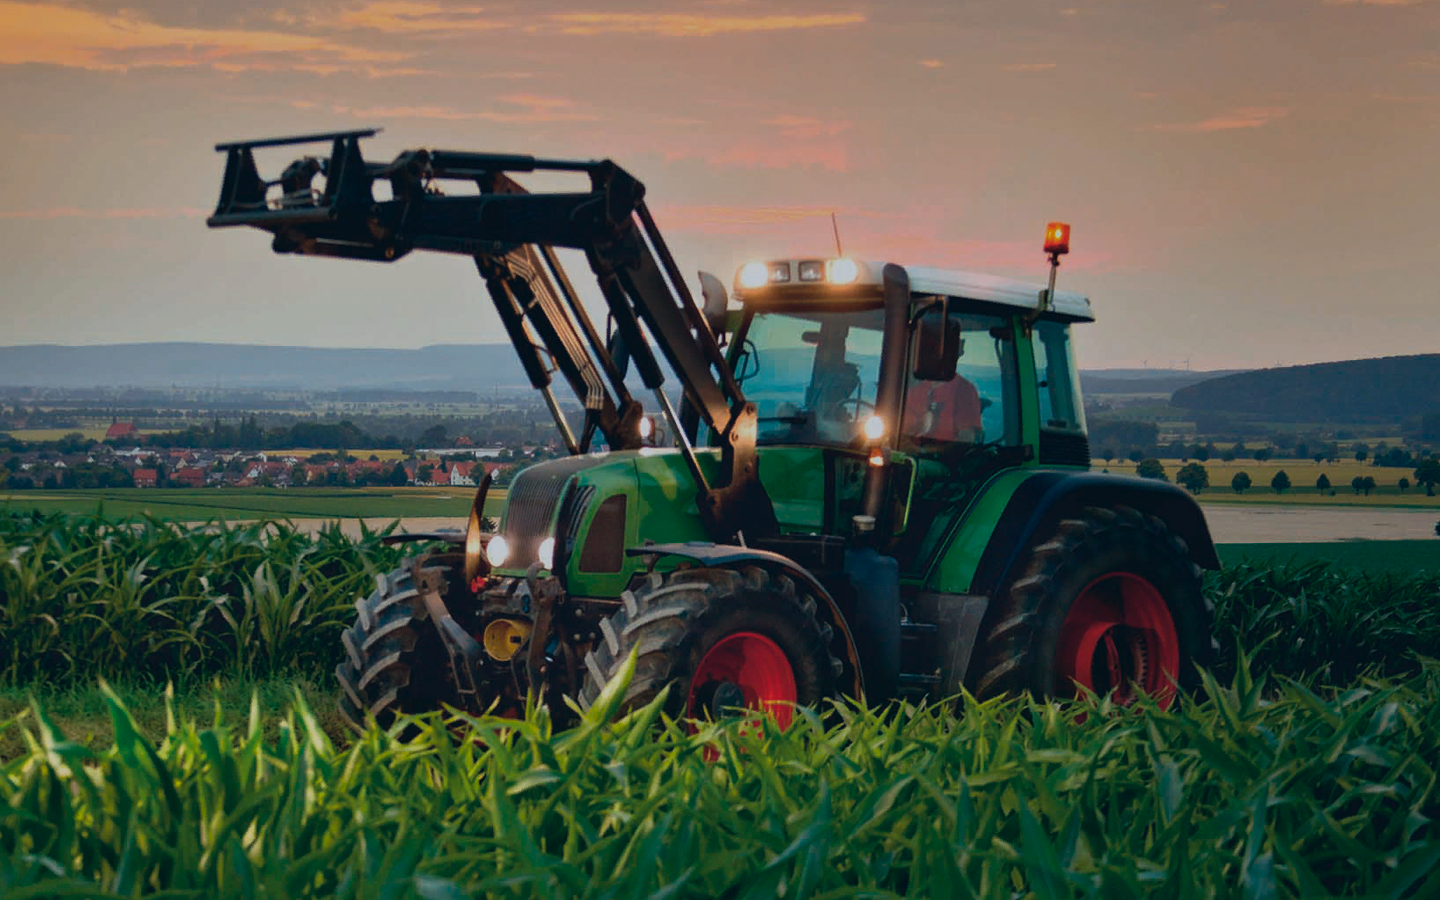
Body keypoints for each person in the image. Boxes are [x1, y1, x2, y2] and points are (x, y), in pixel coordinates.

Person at [902, 374, 982, 443]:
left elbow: (966, 440)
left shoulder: (965, 390)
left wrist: (924, 451)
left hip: (943, 459)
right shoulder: (914, 389)